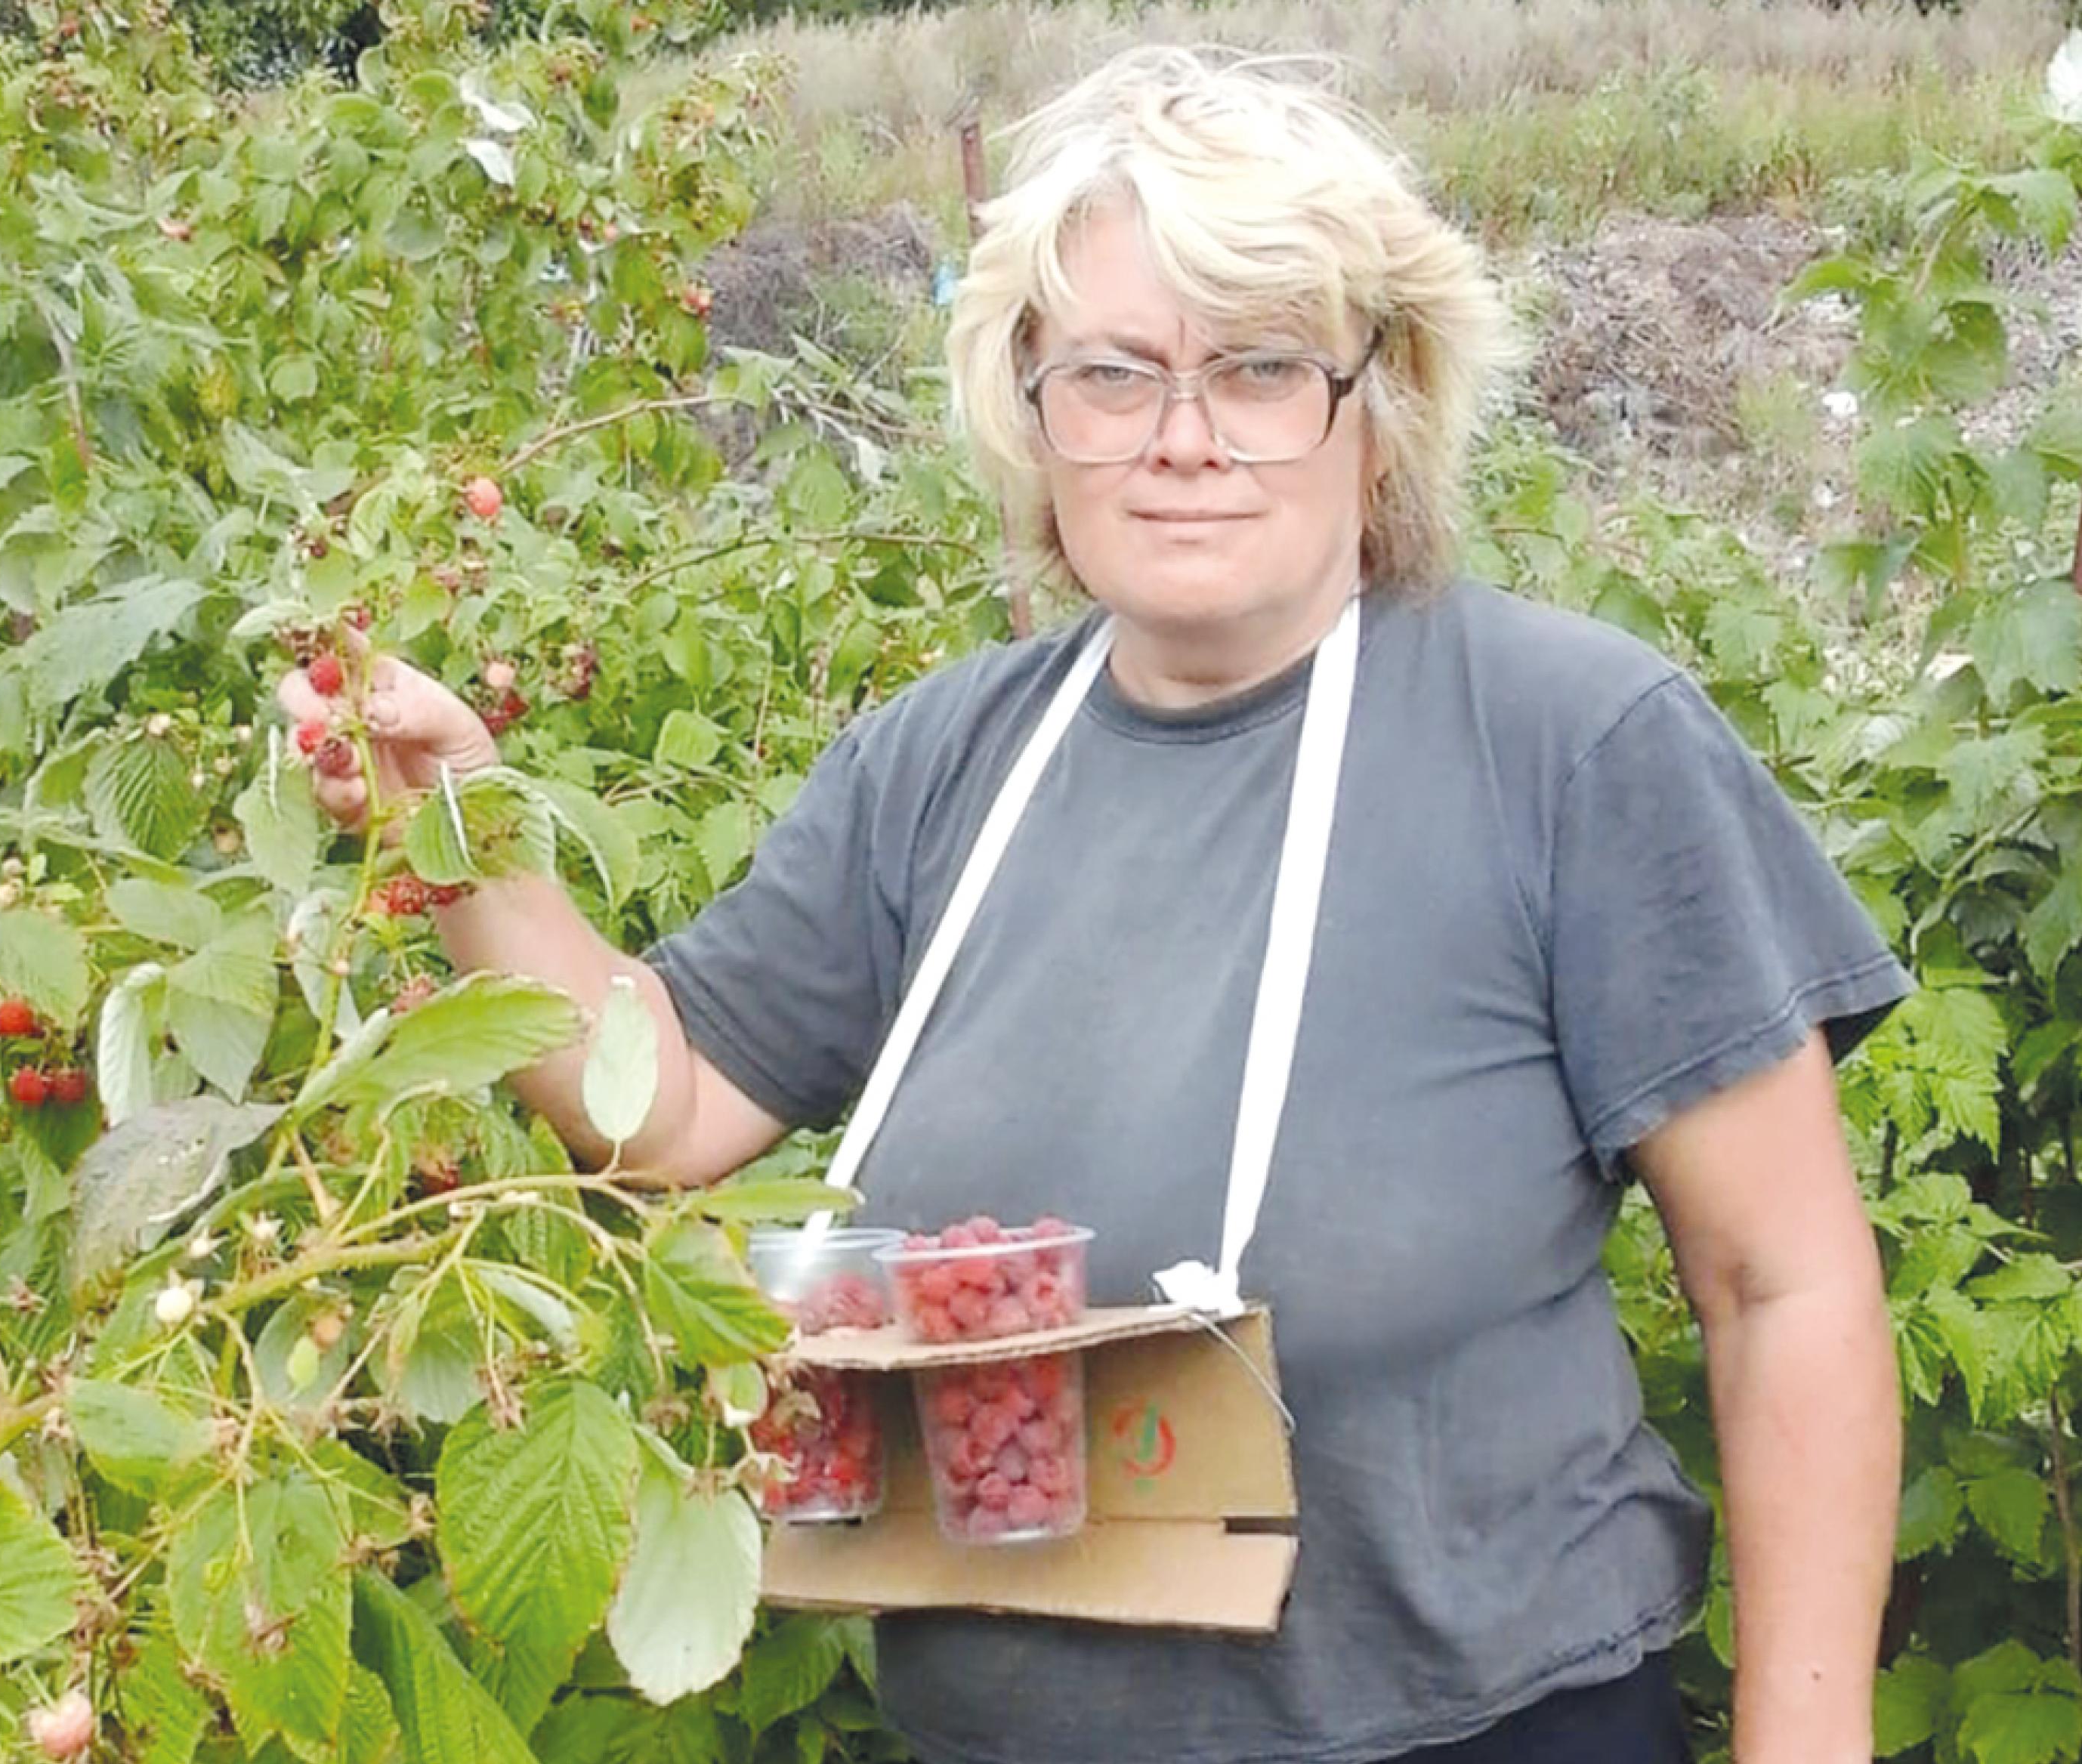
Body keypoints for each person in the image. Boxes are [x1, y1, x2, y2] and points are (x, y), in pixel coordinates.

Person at [280, 47, 1909, 1764]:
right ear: (1030, 414)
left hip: (1473, 1728)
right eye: (1112, 376)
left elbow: (1783, 1287)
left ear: (1382, 406)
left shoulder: (1573, 746)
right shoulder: (940, 762)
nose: (1182, 440)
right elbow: (670, 1097)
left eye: (1263, 368)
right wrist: (454, 837)